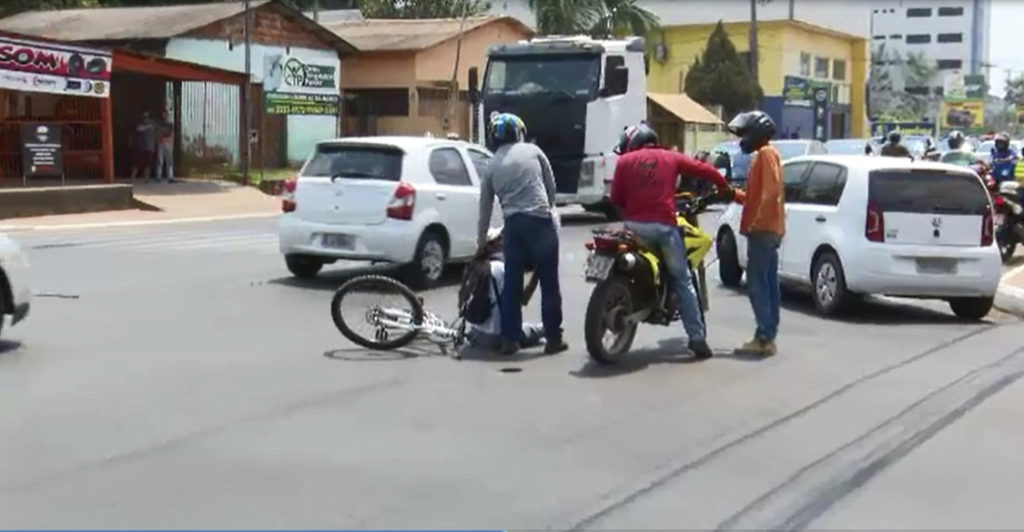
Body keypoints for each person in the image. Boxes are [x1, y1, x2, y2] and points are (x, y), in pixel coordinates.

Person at [609, 122, 735, 359]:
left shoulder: (624, 162)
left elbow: (616, 199)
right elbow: (705, 170)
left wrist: (631, 218)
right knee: (682, 279)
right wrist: (724, 187)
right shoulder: (671, 157)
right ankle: (697, 339)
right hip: (664, 228)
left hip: (634, 229)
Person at [477, 112, 567, 356]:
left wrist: (481, 244)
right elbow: (551, 189)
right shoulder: (534, 151)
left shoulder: (491, 166)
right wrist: (546, 209)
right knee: (549, 283)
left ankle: (510, 340)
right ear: (519, 132)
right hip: (540, 222)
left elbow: (484, 211)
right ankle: (553, 339)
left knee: (512, 284)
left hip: (514, 228)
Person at [727, 110, 784, 357]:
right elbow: (758, 195)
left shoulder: (765, 154)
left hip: (762, 230)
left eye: (746, 134)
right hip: (769, 229)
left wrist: (755, 222)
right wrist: (735, 195)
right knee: (769, 284)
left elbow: (770, 193)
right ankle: (767, 335)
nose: (743, 139)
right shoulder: (770, 153)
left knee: (757, 285)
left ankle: (764, 337)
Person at [460, 227, 544, 351]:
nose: (504, 241)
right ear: (491, 247)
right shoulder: (500, 268)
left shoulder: (474, 267)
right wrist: (537, 274)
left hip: (475, 334)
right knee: (541, 328)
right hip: (497, 336)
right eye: (500, 239)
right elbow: (523, 300)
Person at [129, 111, 158, 181]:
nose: (145, 116)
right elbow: (138, 129)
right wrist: (147, 127)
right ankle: (132, 178)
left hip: (149, 147)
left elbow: (157, 131)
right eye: (144, 114)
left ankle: (146, 178)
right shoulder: (140, 123)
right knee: (136, 163)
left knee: (147, 164)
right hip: (140, 146)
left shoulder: (153, 123)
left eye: (147, 114)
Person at [154, 109, 174, 183]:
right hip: (161, 143)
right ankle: (158, 177)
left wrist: (171, 142)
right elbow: (158, 133)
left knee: (169, 161)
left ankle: (170, 177)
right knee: (160, 160)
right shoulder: (158, 124)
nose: (164, 115)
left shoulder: (170, 124)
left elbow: (171, 134)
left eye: (165, 114)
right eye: (163, 114)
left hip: (168, 143)